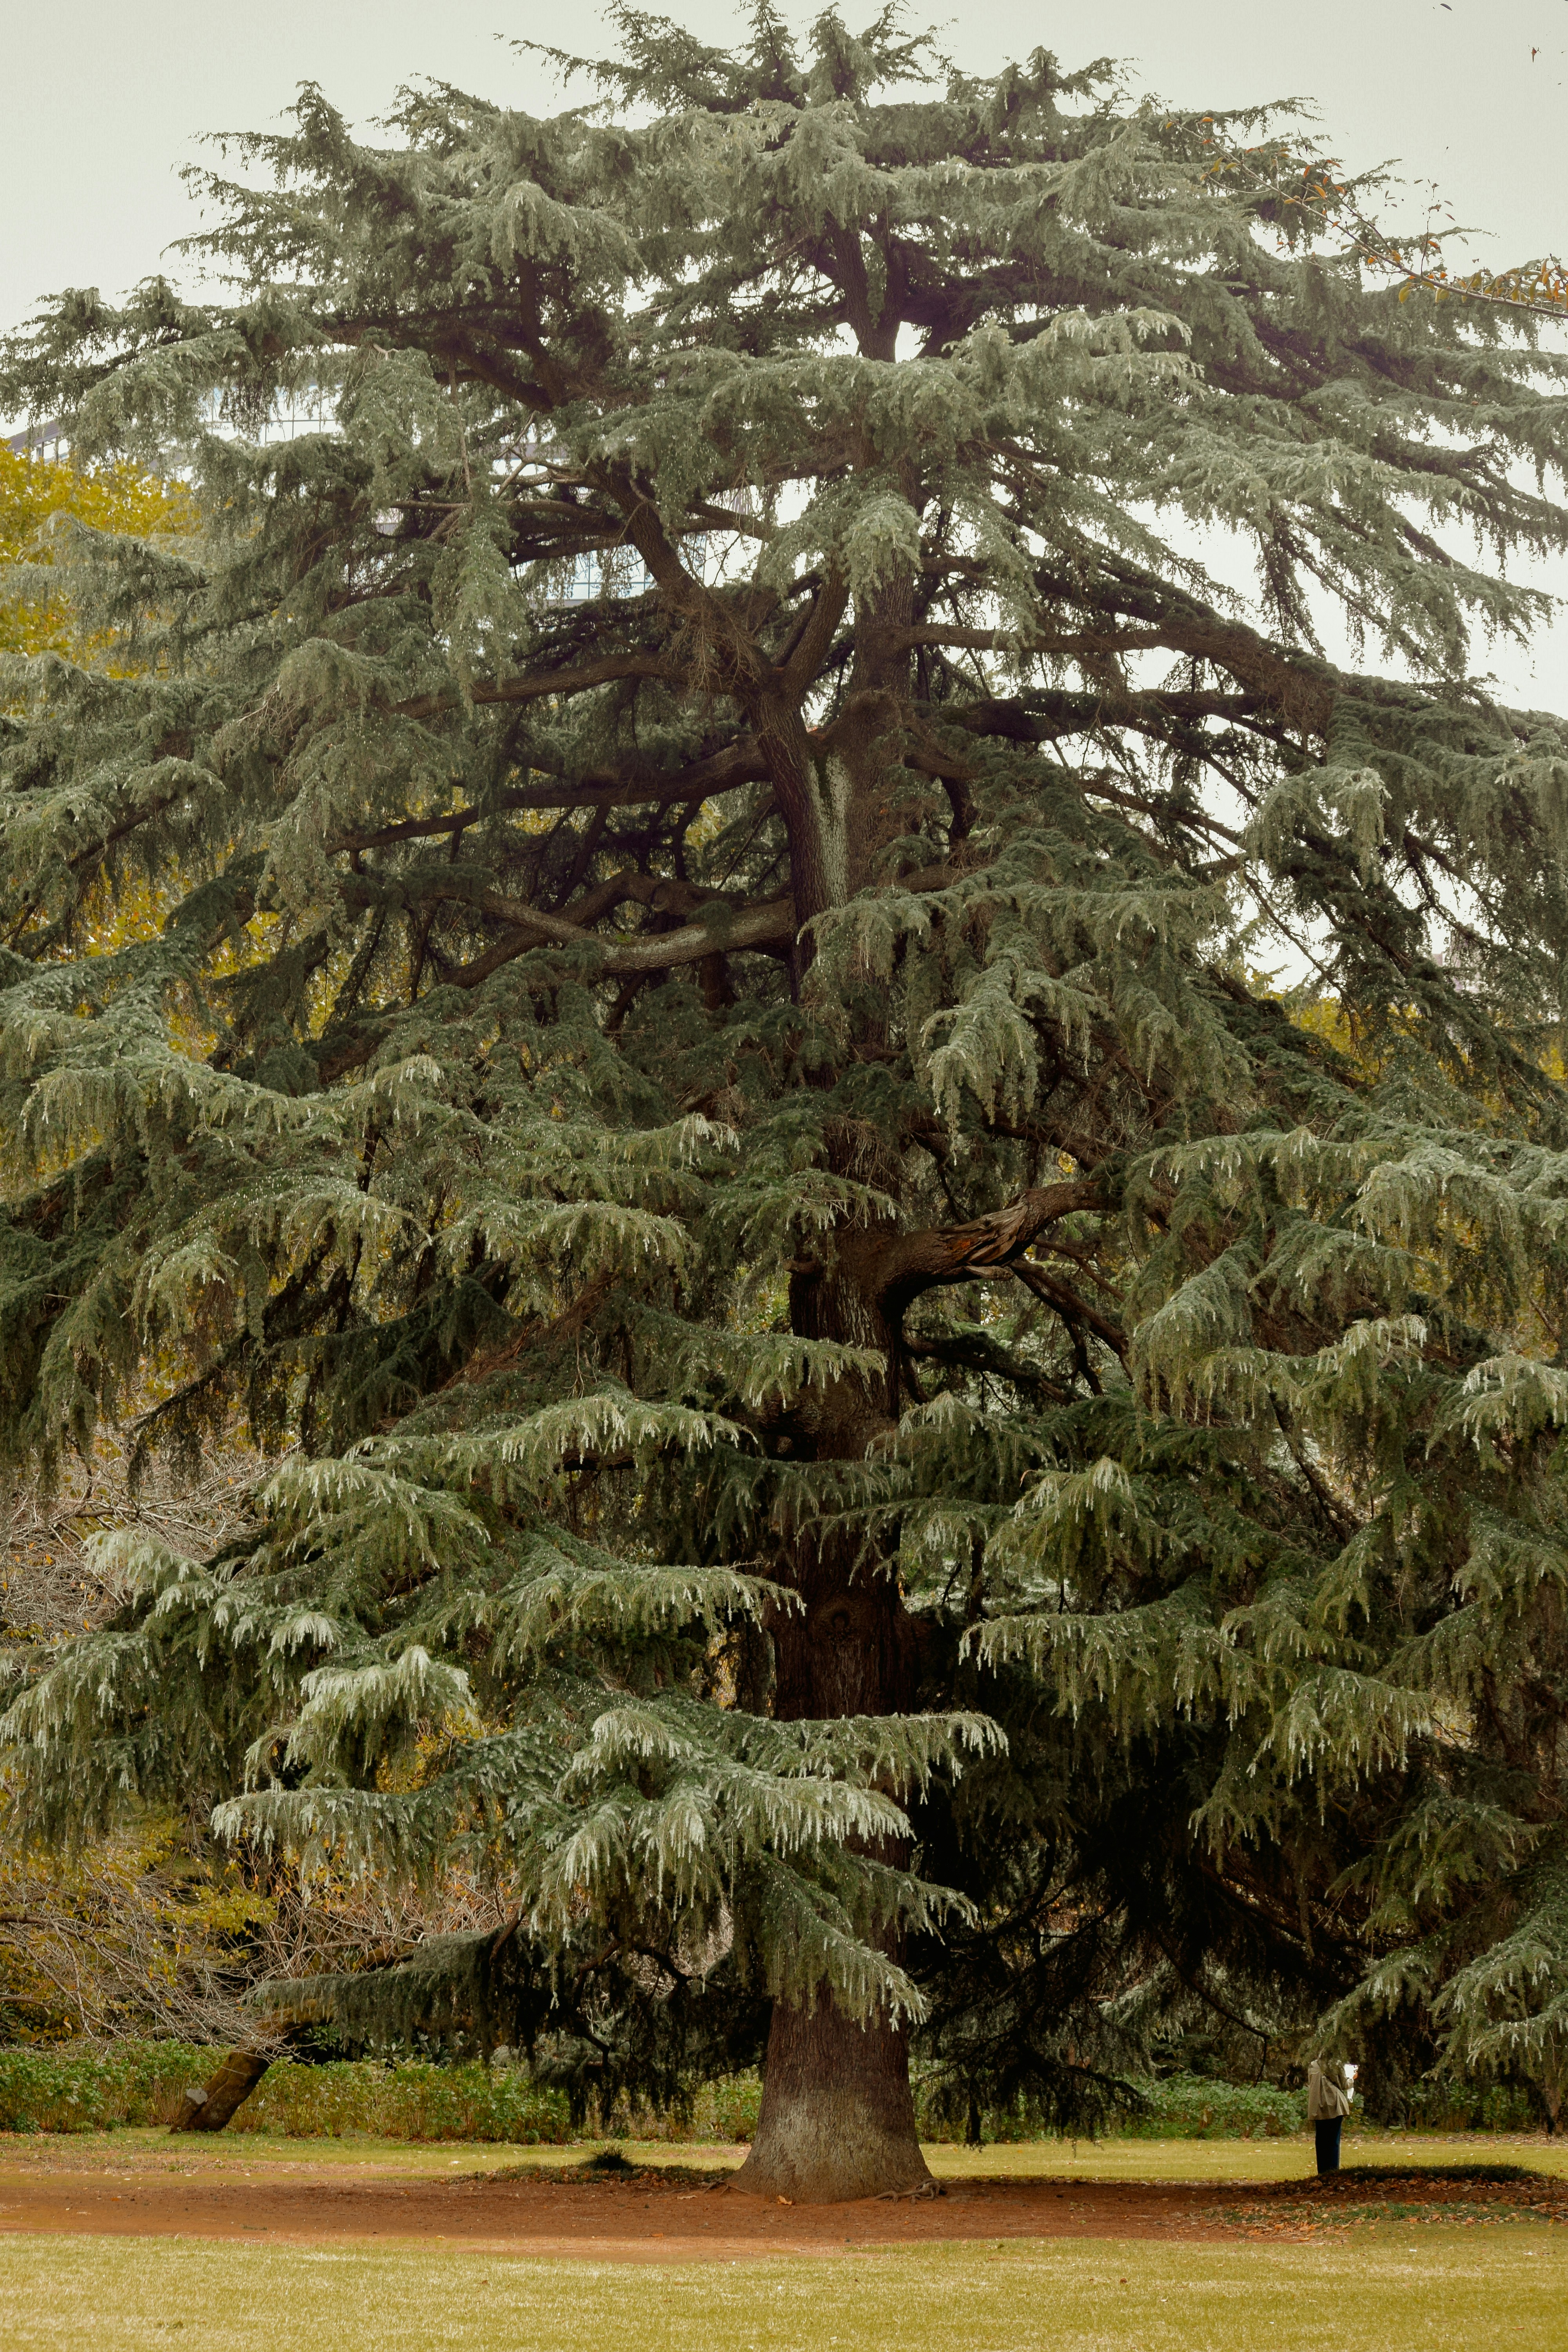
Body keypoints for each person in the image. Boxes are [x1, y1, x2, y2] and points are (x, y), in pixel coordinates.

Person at [1307, 2058, 1353, 2174]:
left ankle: (1322, 2172)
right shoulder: (1335, 2064)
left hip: (1318, 2106)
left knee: (1321, 2141)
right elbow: (1344, 2084)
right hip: (1335, 2106)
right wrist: (1352, 2078)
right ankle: (1333, 2172)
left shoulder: (1313, 2066)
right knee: (1333, 2141)